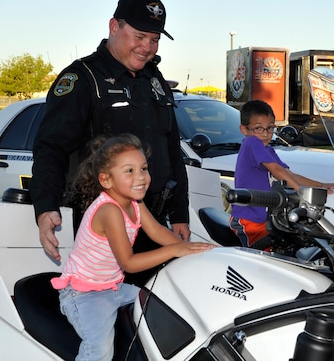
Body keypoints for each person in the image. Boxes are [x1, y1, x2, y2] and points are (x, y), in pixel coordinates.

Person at [29, 0, 190, 284]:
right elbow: (50, 148)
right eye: (139, 36)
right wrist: (45, 207)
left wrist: (180, 213)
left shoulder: (154, 80)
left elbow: (171, 148)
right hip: (105, 227)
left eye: (154, 39)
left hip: (152, 219)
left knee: (156, 315)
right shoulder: (83, 79)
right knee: (111, 316)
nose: (147, 47)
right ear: (114, 27)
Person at [51, 134, 213, 361]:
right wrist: (176, 251)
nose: (141, 177)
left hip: (113, 287)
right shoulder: (110, 211)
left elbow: (157, 231)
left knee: (164, 306)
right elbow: (128, 262)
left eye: (144, 168)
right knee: (99, 349)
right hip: (84, 294)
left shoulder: (135, 203)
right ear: (106, 180)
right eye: (130, 171)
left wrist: (192, 249)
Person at [229, 100, 334, 248]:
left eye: (270, 128)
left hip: (266, 218)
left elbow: (288, 174)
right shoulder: (251, 143)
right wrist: (301, 194)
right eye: (258, 128)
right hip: (249, 220)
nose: (266, 134)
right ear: (244, 130)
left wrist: (320, 185)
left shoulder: (267, 149)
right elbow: (277, 170)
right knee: (263, 260)